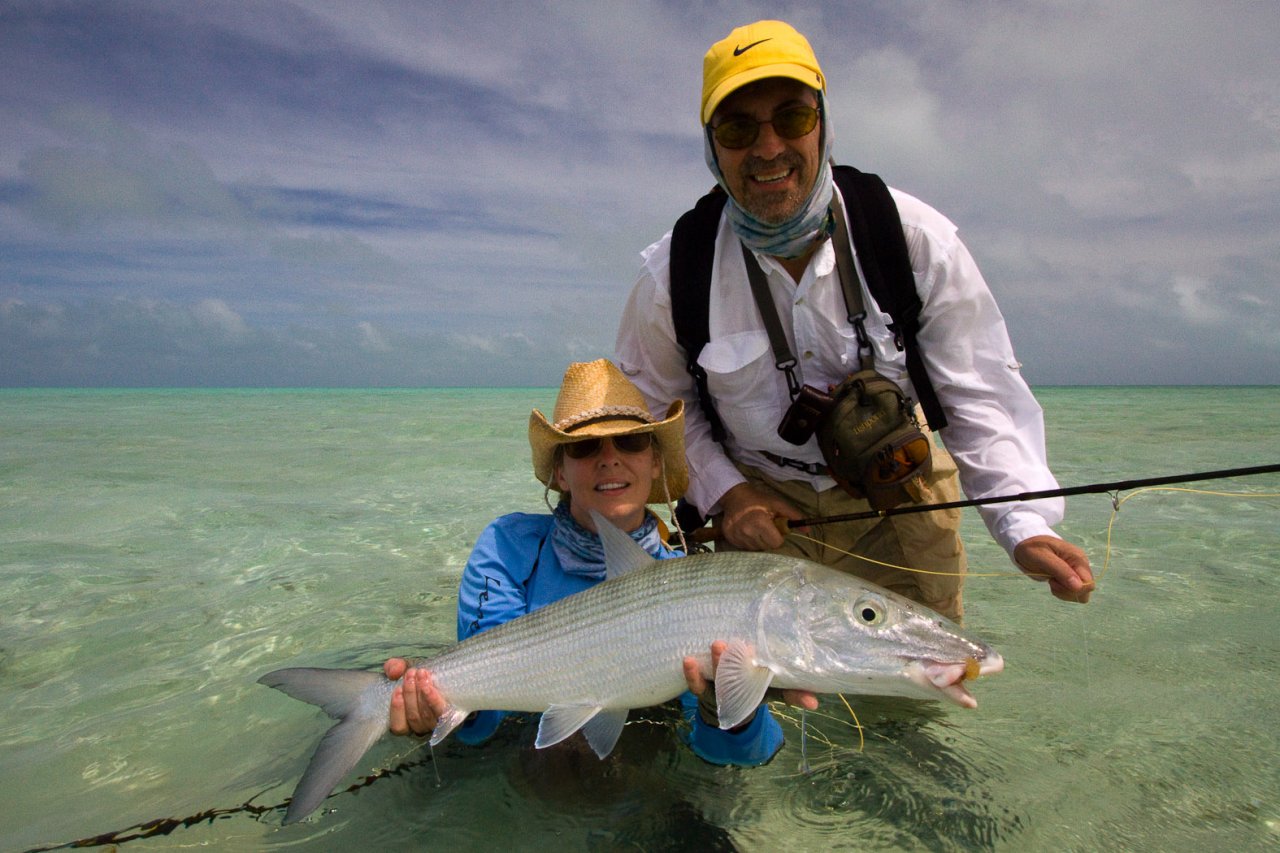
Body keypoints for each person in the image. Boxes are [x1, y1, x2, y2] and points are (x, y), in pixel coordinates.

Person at [614, 20, 1094, 621]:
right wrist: (729, 494)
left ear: (823, 122)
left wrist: (1022, 525)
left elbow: (979, 393)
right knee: (758, 682)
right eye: (738, 128)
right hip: (761, 506)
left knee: (925, 670)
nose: (768, 148)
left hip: (901, 488)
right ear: (712, 146)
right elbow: (658, 410)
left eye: (792, 118)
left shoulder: (914, 239)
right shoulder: (674, 273)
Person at [383, 359, 817, 764]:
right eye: (585, 446)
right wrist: (437, 708)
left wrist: (732, 711)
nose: (609, 458)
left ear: (655, 463)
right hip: (520, 764)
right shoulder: (509, 546)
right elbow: (486, 716)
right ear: (560, 473)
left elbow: (739, 756)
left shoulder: (691, 584)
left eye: (631, 441)